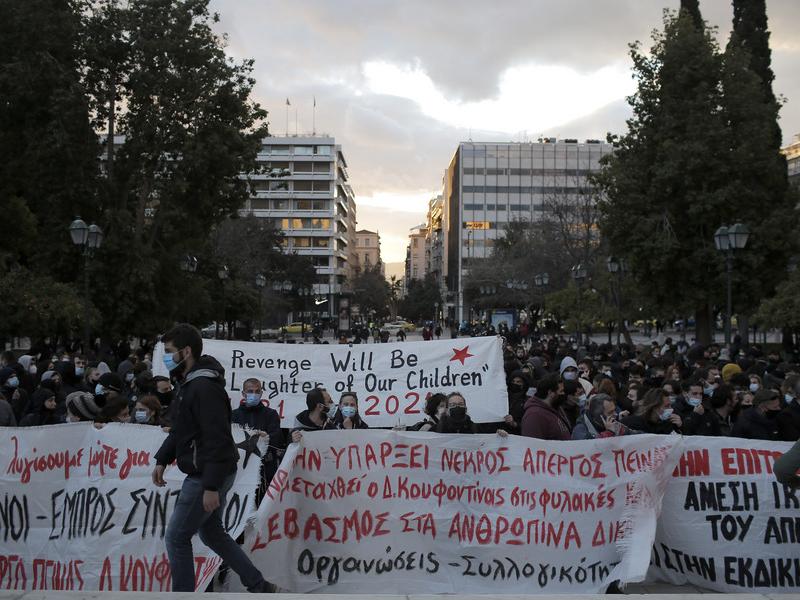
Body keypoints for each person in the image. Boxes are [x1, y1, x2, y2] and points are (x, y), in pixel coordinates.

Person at [151, 323, 271, 593]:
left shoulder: (203, 387)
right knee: (211, 532)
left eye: (169, 351)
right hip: (211, 470)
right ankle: (258, 584)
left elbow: (216, 437)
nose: (166, 357)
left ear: (186, 351)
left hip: (207, 472)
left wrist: (211, 485)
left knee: (177, 537)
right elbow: (184, 428)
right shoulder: (192, 384)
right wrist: (163, 458)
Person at [231, 378, 284, 489]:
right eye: (250, 391)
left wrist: (266, 438)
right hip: (240, 468)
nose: (254, 394)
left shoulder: (271, 414)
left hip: (265, 468)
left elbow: (277, 439)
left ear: (261, 393)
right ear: (243, 394)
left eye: (257, 391)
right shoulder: (233, 415)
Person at [520, 373, 572, 440]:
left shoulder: (556, 407)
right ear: (550, 393)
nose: (563, 394)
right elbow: (533, 445)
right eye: (561, 391)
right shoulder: (534, 415)